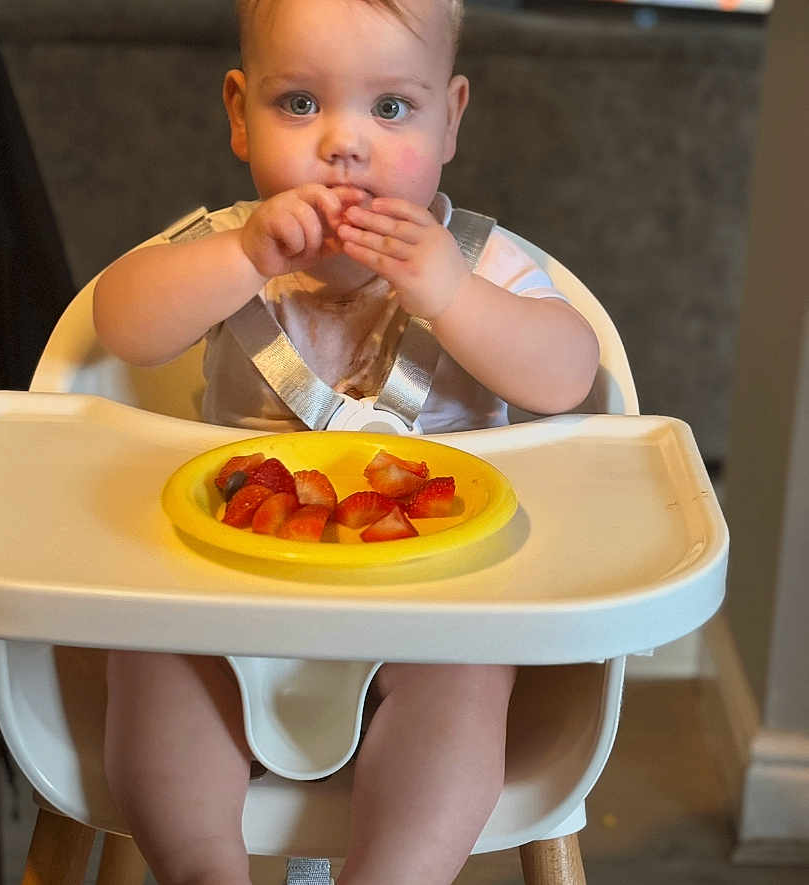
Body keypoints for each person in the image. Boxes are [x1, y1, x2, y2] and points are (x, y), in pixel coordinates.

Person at [93, 1, 600, 883]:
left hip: (428, 610)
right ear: (237, 114)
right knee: (153, 653)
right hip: (231, 598)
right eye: (298, 104)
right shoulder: (225, 248)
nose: (343, 144)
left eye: (391, 108)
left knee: (466, 681)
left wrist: (449, 293)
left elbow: (566, 374)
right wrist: (246, 257)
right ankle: (202, 865)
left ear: (452, 117)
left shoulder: (477, 261)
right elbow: (122, 322)